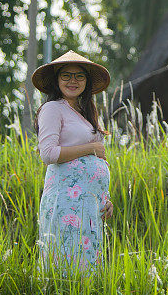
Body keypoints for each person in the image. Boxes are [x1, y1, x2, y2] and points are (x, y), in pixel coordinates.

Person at [31, 50, 114, 273]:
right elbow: (48, 154)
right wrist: (92, 148)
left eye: (79, 76)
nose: (72, 81)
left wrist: (105, 199)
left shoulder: (85, 114)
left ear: (86, 82)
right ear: (57, 80)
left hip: (89, 206)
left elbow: (97, 164)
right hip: (66, 203)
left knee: (88, 272)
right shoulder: (52, 109)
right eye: (66, 75)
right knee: (66, 267)